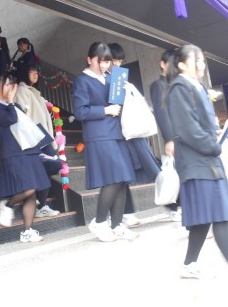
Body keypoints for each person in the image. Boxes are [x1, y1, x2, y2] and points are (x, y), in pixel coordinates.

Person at [165, 44, 228, 278]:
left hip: (205, 160)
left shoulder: (195, 87)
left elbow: (198, 125)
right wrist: (213, 145)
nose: (201, 64)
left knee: (205, 218)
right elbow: (188, 128)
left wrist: (216, 133)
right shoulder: (179, 88)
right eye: (196, 60)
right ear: (181, 65)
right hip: (198, 162)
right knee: (218, 215)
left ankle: (189, 264)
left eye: (202, 59)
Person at [72, 42, 138, 241]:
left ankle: (116, 225)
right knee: (113, 179)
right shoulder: (82, 80)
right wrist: (105, 110)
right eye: (99, 61)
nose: (103, 65)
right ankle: (100, 222)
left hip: (116, 133)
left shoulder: (112, 78)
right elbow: (80, 111)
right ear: (89, 59)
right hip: (99, 135)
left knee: (122, 179)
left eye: (106, 62)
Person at [0, 73, 51, 243]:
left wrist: (11, 102)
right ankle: (7, 205)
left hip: (28, 150)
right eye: (7, 84)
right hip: (13, 153)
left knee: (33, 191)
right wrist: (10, 102)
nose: (10, 88)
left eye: (11, 85)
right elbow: (10, 119)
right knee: (28, 188)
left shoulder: (13, 104)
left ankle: (27, 231)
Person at [107, 42, 160, 228]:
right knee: (123, 175)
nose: (117, 64)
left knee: (148, 168)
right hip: (119, 134)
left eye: (119, 61)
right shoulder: (106, 80)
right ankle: (126, 214)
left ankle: (174, 204)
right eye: (114, 60)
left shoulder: (118, 79)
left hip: (129, 132)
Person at [14, 65, 62, 217]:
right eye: (31, 72)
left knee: (49, 167)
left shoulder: (35, 92)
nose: (35, 74)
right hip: (34, 137)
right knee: (52, 165)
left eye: (36, 72)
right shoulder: (22, 90)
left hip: (42, 137)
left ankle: (39, 204)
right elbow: (21, 115)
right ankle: (36, 204)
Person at [149, 48, 182, 222]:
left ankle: (179, 206)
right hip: (174, 137)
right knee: (174, 172)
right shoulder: (158, 85)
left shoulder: (176, 84)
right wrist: (168, 139)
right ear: (162, 64)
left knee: (181, 171)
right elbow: (161, 113)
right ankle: (172, 207)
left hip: (183, 135)